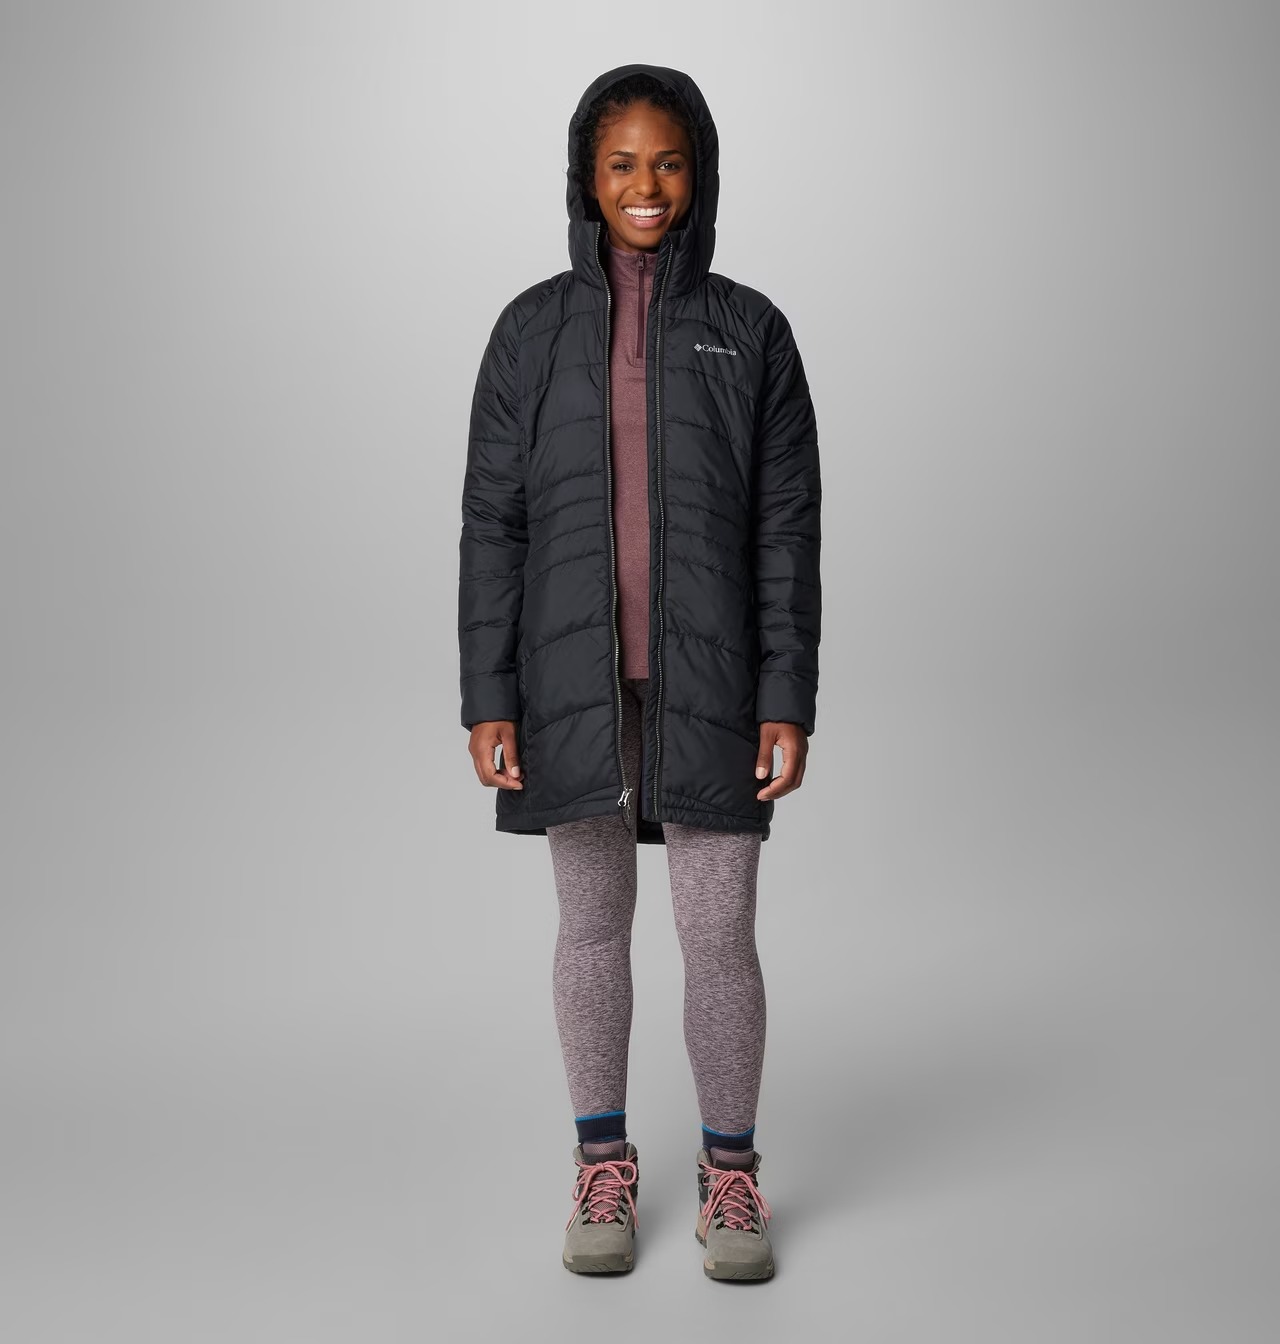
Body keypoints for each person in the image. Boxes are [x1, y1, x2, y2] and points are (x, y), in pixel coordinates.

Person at [457, 63, 821, 1281]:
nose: (645, 185)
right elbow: (492, 524)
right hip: (570, 679)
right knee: (590, 925)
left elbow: (785, 530)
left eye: (666, 161)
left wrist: (783, 696)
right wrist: (490, 695)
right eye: (620, 164)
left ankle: (730, 1175)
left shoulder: (752, 332)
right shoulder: (528, 332)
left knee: (718, 934)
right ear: (586, 176)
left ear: (697, 171)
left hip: (711, 683)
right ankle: (600, 1165)